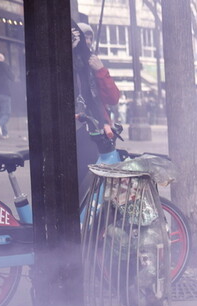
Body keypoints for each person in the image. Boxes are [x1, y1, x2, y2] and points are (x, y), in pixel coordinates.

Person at [72, 22, 121, 196]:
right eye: (83, 36)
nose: (87, 41)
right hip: (79, 129)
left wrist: (100, 70)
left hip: (99, 129)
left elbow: (113, 97)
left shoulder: (94, 62)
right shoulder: (71, 63)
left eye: (90, 37)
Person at [0, 53, 14, 138]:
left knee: (0, 114)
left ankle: (4, 134)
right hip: (5, 93)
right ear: (2, 59)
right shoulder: (5, 65)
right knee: (7, 114)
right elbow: (12, 77)